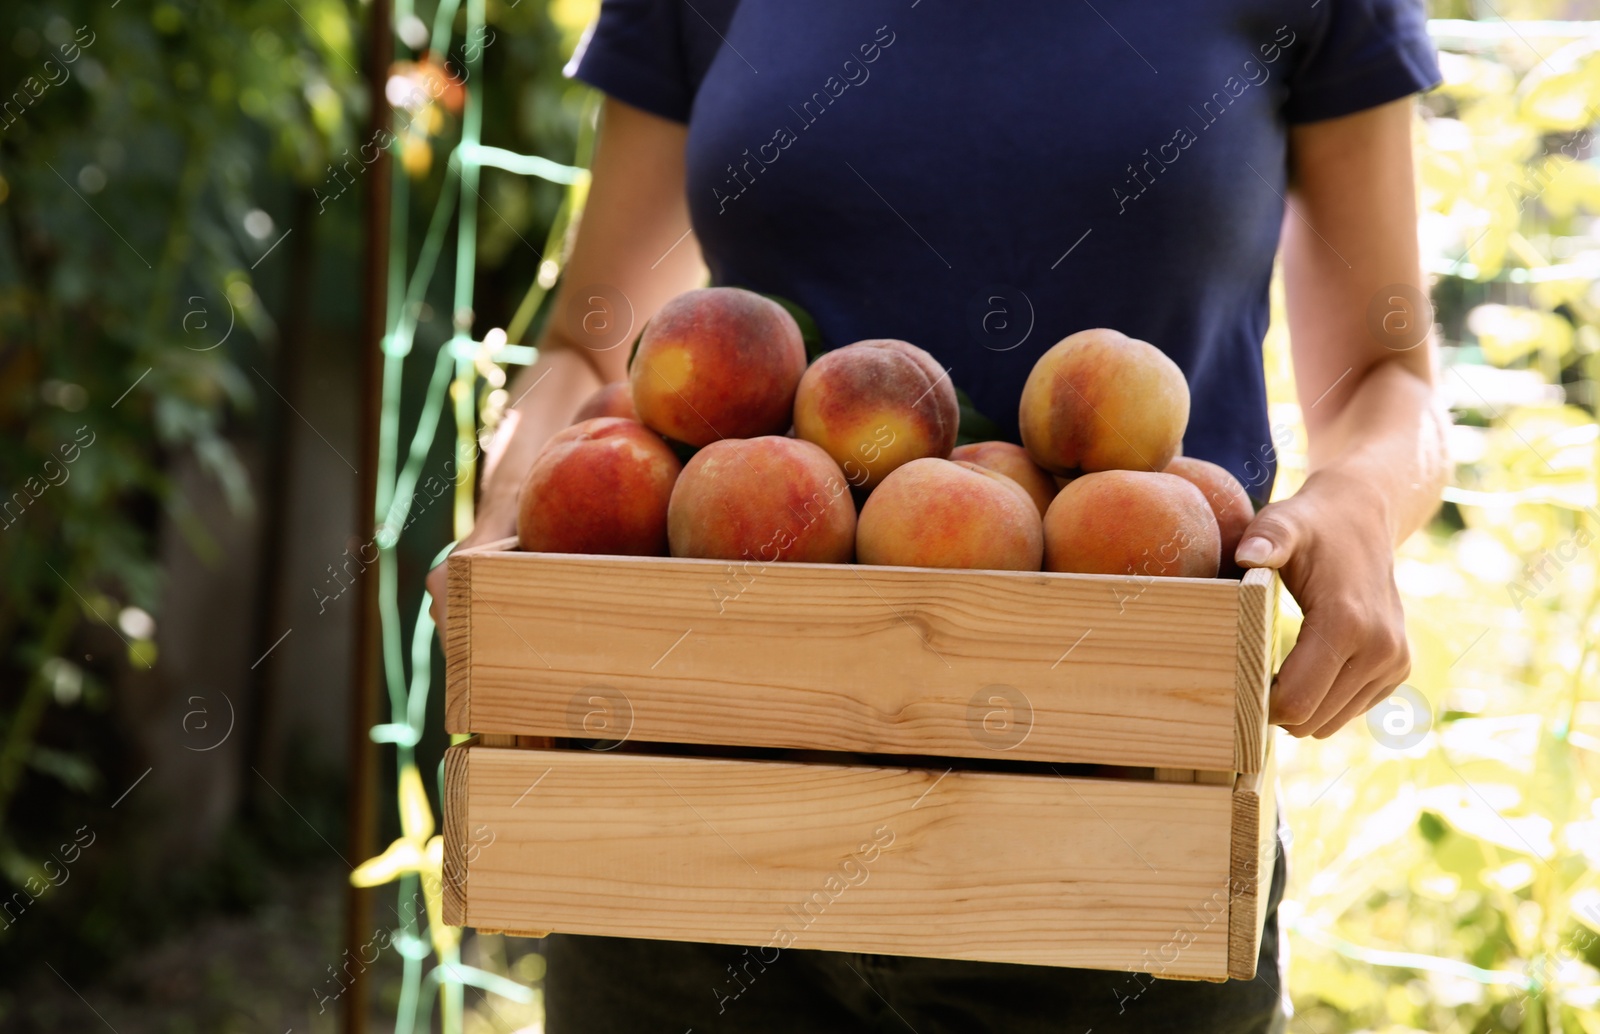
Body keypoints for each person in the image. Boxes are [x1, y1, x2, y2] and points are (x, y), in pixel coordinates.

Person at [427, 1, 1449, 1029]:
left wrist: (1358, 505)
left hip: (1113, 841)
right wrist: (503, 538)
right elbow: (588, 349)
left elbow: (1385, 369)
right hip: (692, 819)